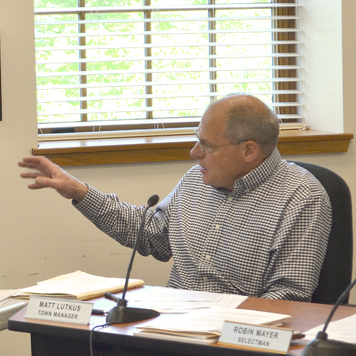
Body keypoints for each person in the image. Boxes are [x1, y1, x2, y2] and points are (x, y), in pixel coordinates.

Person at [18, 94, 331, 302]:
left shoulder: (302, 197)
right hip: (175, 331)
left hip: (239, 340)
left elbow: (290, 296)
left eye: (206, 145)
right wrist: (80, 192)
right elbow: (152, 235)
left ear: (249, 151)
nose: (194, 153)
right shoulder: (197, 180)